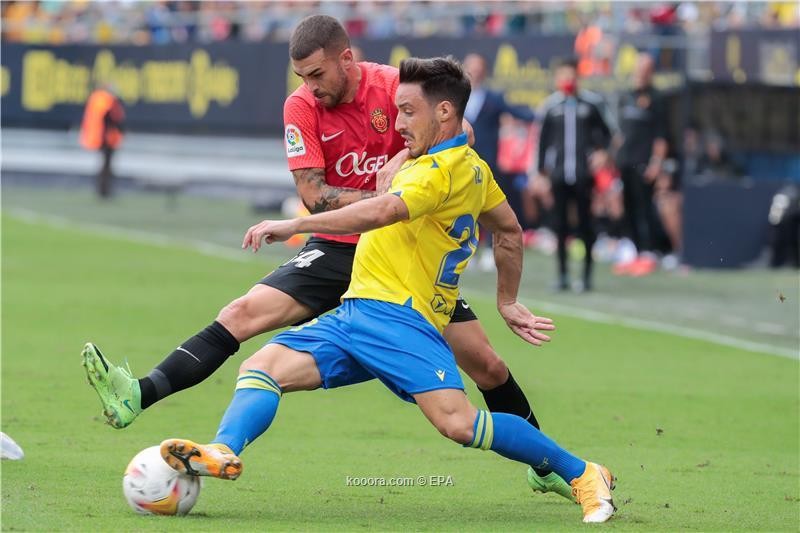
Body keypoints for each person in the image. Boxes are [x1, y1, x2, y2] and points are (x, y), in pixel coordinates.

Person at [82, 15, 571, 500]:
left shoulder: (391, 87)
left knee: (486, 364)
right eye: (301, 78)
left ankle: (547, 465)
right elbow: (314, 197)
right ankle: (139, 395)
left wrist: (402, 165)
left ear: (346, 59)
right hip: (338, 247)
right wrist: (381, 199)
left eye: (317, 75)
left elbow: (460, 130)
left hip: (403, 261)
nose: (310, 87)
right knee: (241, 314)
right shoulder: (300, 107)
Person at [160, 56, 616, 524]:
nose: (397, 124)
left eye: (407, 112)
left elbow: (380, 213)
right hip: (359, 312)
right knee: (262, 367)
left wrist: (295, 224)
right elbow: (510, 231)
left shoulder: (434, 174)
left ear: (442, 113)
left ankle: (582, 473)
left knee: (459, 424)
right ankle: (222, 450)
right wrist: (506, 300)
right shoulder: (471, 168)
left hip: (401, 317)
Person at [537, 58, 611, 292]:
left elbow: (608, 135)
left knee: (586, 225)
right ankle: (562, 275)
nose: (568, 80)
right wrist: (541, 174)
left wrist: (602, 154)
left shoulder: (590, 104)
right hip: (559, 175)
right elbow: (542, 144)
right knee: (559, 226)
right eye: (564, 76)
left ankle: (586, 276)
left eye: (572, 76)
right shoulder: (551, 107)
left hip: (583, 174)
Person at [462, 53, 534, 271]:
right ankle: (468, 251)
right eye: (471, 67)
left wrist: (537, 115)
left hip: (488, 162)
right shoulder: (456, 97)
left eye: (479, 67)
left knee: (488, 208)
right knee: (465, 206)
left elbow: (516, 112)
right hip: (461, 160)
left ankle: (486, 249)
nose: (475, 72)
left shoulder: (493, 98)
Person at [613, 52, 669, 277]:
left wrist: (657, 163)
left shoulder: (657, 98)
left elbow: (661, 136)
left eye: (646, 68)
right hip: (625, 161)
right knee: (628, 207)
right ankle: (635, 251)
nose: (641, 73)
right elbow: (620, 133)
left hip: (644, 162)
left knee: (644, 207)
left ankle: (648, 252)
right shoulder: (626, 96)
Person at [79, 84, 125, 199]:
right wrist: (120, 129)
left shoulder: (97, 98)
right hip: (107, 138)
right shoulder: (107, 100)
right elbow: (110, 118)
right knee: (106, 166)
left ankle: (103, 189)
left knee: (105, 165)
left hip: (101, 137)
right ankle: (104, 190)